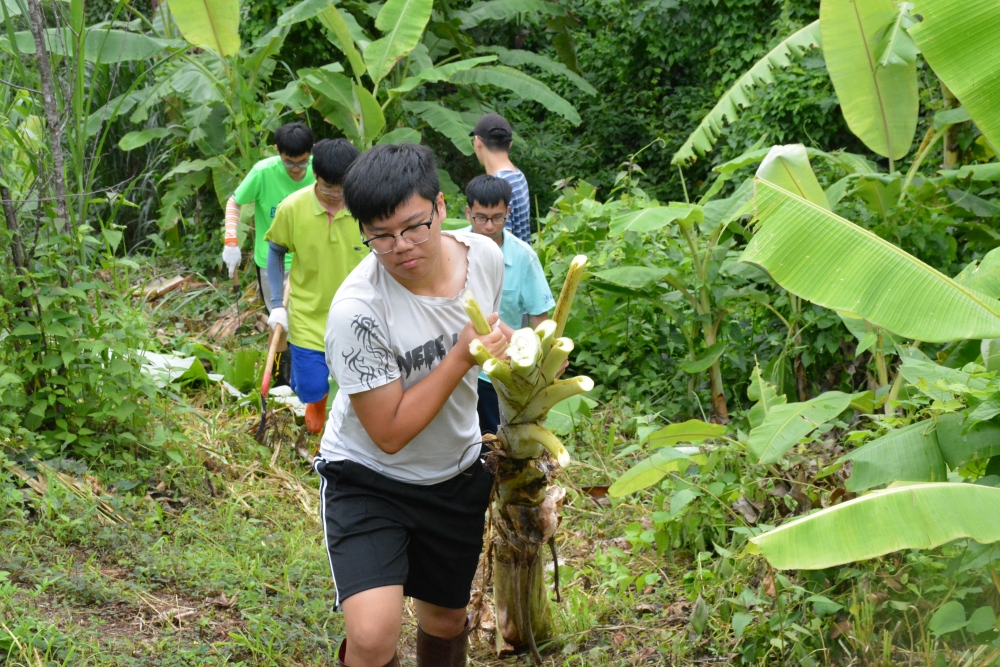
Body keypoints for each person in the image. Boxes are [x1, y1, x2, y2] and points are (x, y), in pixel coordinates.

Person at [316, 143, 510, 667]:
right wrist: (460, 356)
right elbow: (390, 433)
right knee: (374, 634)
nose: (400, 246)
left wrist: (509, 350)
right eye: (379, 235)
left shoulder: (485, 258)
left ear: (441, 208)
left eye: (414, 226)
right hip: (370, 475)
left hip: (454, 471)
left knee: (445, 621)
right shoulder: (357, 311)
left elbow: (486, 337)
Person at [264, 138, 367, 435]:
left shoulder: (366, 208)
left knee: (355, 383)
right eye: (328, 187)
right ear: (315, 176)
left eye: (342, 188)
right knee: (311, 386)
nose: (336, 195)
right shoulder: (292, 208)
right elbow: (275, 250)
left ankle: (342, 433)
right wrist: (276, 305)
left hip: (355, 317)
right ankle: (315, 406)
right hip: (308, 316)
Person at [463, 174, 554, 436]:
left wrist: (542, 355)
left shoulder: (523, 256)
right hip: (459, 369)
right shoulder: (452, 248)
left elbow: (540, 318)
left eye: (497, 218)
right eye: (481, 217)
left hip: (502, 373)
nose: (489, 226)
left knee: (497, 443)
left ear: (508, 213)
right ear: (468, 213)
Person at [221, 121, 315, 311]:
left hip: (312, 261)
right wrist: (231, 240)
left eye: (302, 162)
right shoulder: (263, 172)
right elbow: (234, 202)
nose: (296, 169)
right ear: (277, 150)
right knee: (279, 323)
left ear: (311, 151)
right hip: (273, 265)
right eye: (288, 162)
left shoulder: (321, 171)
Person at [470, 113, 531, 244]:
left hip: (507, 264)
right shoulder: (518, 176)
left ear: (478, 142)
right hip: (523, 260)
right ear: (510, 144)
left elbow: (501, 240)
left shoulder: (499, 184)